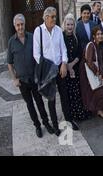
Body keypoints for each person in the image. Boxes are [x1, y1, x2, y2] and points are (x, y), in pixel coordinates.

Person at [8, 14, 54, 138]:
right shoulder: (11, 42)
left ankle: (46, 123)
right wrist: (14, 78)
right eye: (17, 25)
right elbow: (9, 63)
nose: (20, 27)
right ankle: (37, 126)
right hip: (22, 81)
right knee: (30, 104)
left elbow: (40, 55)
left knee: (39, 102)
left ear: (24, 24)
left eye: (22, 24)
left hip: (34, 78)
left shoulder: (33, 37)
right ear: (14, 26)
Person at [33, 7, 69, 136]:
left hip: (60, 68)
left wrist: (64, 63)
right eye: (52, 17)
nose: (55, 19)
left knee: (64, 95)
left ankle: (69, 120)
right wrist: (50, 67)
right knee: (51, 99)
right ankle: (55, 125)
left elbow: (63, 49)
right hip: (48, 71)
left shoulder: (58, 30)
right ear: (46, 17)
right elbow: (36, 55)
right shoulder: (38, 31)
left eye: (55, 16)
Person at [79, 27, 103, 121]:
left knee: (101, 88)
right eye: (98, 34)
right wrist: (97, 72)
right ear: (94, 36)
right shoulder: (91, 45)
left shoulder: (99, 45)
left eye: (101, 34)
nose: (100, 36)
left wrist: (100, 72)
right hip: (88, 72)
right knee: (95, 91)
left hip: (95, 70)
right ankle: (99, 111)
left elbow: (99, 61)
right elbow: (89, 61)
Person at [62, 14, 88, 123]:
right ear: (64, 25)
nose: (70, 27)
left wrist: (72, 65)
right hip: (65, 70)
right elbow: (61, 53)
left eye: (72, 24)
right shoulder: (61, 37)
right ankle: (71, 116)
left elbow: (79, 53)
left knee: (77, 91)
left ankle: (79, 114)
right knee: (68, 94)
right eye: (68, 24)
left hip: (75, 68)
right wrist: (68, 66)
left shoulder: (76, 36)